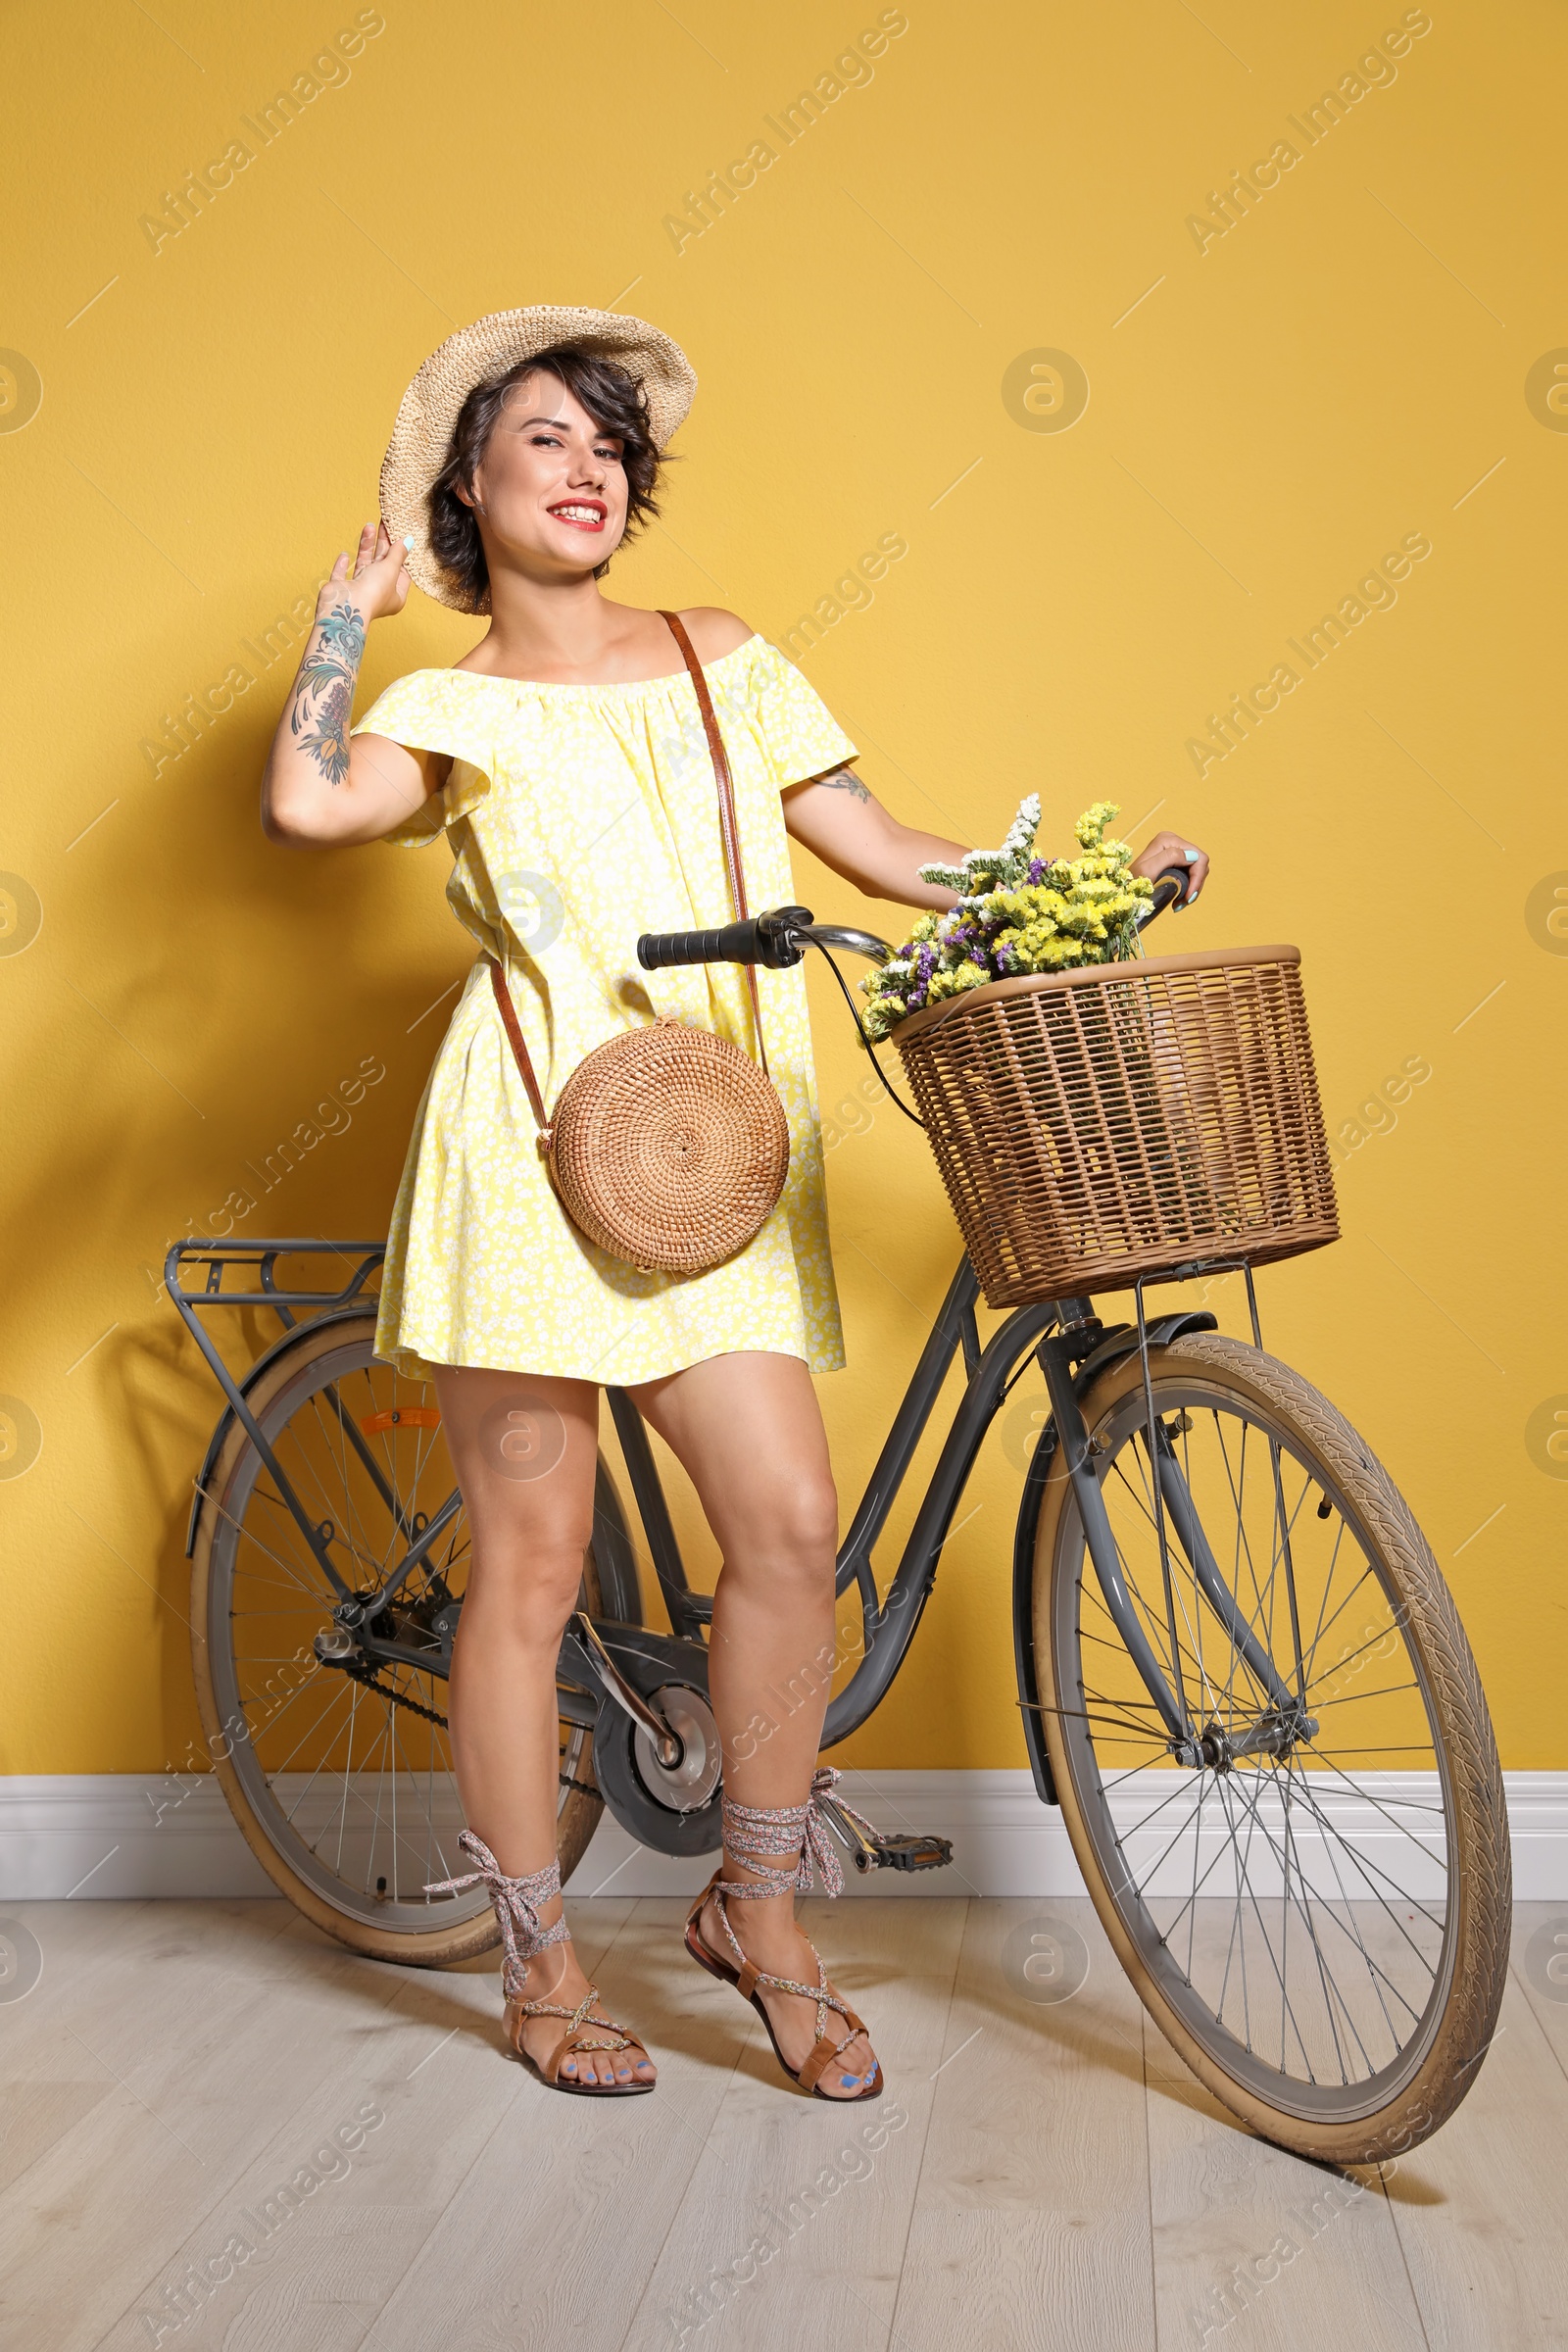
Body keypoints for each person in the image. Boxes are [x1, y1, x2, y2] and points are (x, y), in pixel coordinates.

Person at [261, 305, 1208, 2099]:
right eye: (543, 437)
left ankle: (758, 1921)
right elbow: (307, 804)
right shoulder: (443, 702)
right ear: (469, 481)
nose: (588, 466)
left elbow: (885, 844)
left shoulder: (722, 655)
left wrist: (1084, 873)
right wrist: (341, 609)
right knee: (530, 1568)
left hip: (718, 1157)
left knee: (782, 1524)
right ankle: (541, 1970)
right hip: (534, 1149)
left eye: (609, 442)